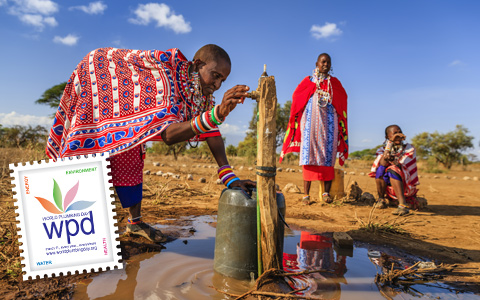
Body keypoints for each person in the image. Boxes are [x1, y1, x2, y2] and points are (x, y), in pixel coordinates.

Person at [46, 44, 255, 242]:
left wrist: (229, 177)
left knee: (131, 150)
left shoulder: (201, 95)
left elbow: (212, 132)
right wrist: (217, 113)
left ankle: (134, 224)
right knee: (88, 150)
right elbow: (169, 135)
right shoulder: (167, 78)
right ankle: (71, 228)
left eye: (223, 81)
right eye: (215, 76)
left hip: (122, 102)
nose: (217, 85)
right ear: (199, 64)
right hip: (101, 79)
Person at [280, 53, 348, 205]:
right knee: (308, 157)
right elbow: (297, 96)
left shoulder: (334, 83)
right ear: (317, 63)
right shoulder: (309, 81)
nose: (326, 64)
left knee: (328, 157)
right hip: (310, 125)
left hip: (329, 125)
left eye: (328, 62)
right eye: (323, 62)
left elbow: (343, 98)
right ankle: (306, 195)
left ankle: (325, 193)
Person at [368, 125, 420, 216]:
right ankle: (381, 199)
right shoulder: (382, 150)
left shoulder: (409, 148)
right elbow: (383, 164)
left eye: (400, 132)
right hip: (389, 187)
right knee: (380, 169)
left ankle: (403, 205)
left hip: (405, 184)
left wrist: (393, 160)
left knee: (392, 169)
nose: (398, 135)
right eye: (395, 133)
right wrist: (390, 144)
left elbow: (401, 166)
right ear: (387, 137)